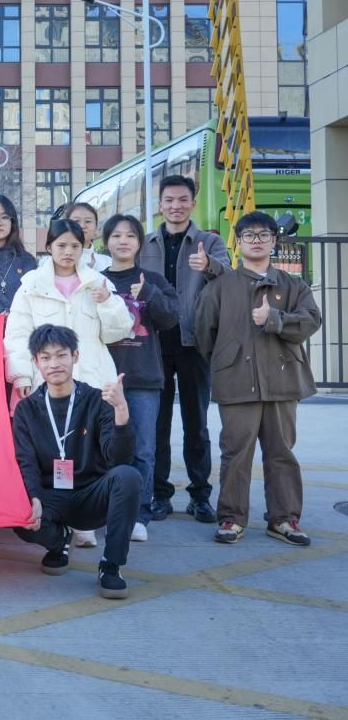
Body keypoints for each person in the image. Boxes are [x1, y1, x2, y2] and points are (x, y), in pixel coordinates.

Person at [4, 218, 133, 549]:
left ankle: (85, 519)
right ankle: (58, 519)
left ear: (83, 247)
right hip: (48, 384)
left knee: (91, 448)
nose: (68, 252)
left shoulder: (97, 282)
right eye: (61, 245)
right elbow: (17, 334)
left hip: (91, 380)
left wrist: (107, 301)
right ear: (48, 247)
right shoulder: (31, 284)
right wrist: (22, 374)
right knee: (51, 448)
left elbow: (118, 332)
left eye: (75, 246)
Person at [195, 212, 322, 547]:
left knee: (281, 452)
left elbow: (311, 321)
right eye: (248, 235)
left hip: (283, 381)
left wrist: (274, 319)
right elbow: (204, 334)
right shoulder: (219, 287)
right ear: (238, 242)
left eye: (263, 234)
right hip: (236, 382)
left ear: (273, 241)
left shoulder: (293, 285)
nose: (256, 240)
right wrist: (228, 361)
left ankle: (284, 519)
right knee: (235, 453)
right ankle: (231, 518)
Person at [12, 324, 141, 600]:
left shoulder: (97, 401)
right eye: (46, 357)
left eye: (61, 355)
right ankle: (59, 541)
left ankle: (111, 565)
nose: (54, 364)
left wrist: (121, 410)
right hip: (51, 498)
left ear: (75, 356)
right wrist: (32, 497)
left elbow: (119, 459)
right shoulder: (27, 409)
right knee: (16, 507)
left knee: (128, 476)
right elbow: (26, 460)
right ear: (35, 362)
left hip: (91, 494)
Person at [138, 175, 231, 524]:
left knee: (197, 425)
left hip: (195, 345)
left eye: (182, 199)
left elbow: (230, 279)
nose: (175, 206)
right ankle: (159, 494)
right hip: (153, 346)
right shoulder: (145, 243)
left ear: (193, 203)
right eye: (169, 200)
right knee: (156, 425)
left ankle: (200, 496)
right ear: (159, 205)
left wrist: (210, 267)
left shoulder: (210, 242)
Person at [101, 214, 179, 542]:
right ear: (106, 241)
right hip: (104, 378)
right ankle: (106, 511)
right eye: (116, 235)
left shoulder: (154, 279)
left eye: (130, 235)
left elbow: (171, 319)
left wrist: (149, 292)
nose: (123, 241)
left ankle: (138, 515)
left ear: (139, 242)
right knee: (104, 449)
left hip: (145, 378)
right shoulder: (97, 280)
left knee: (144, 450)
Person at [63, 203, 111, 271]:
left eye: (88, 221)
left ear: (96, 227)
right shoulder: (56, 260)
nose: (82, 226)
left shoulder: (107, 262)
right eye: (76, 221)